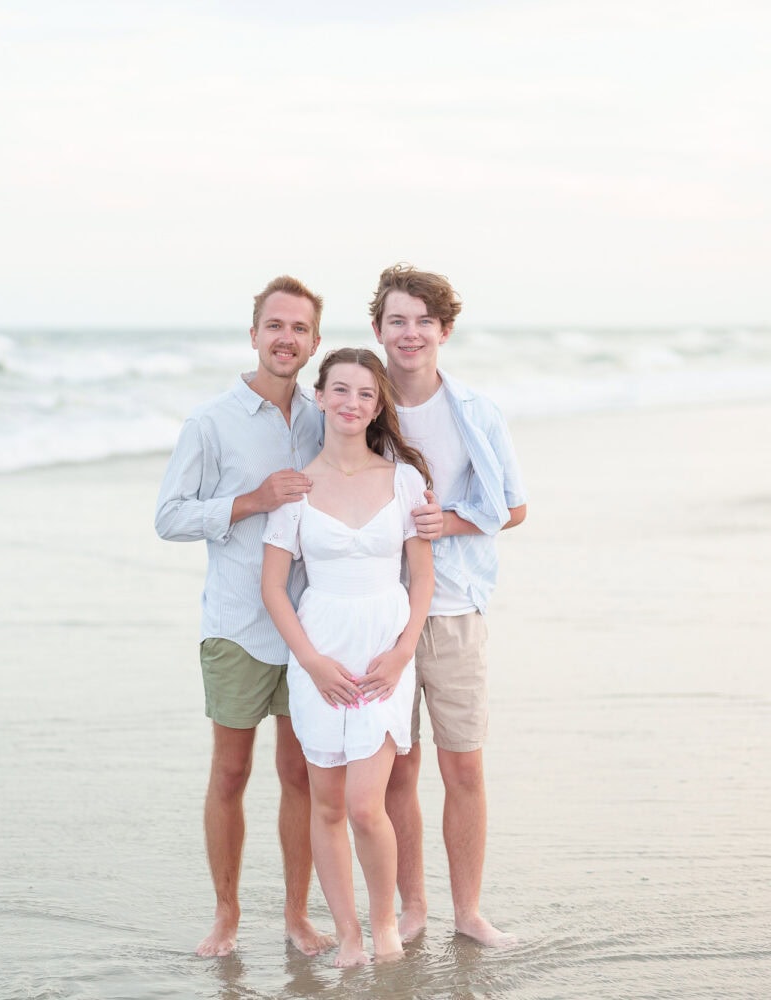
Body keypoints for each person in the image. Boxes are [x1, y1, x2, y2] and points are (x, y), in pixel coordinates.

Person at [154, 278, 443, 958]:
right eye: (274, 325)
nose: (286, 337)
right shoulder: (211, 422)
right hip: (240, 625)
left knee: (303, 778)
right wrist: (250, 501)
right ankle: (226, 916)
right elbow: (168, 518)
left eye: (300, 329)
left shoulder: (323, 417)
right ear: (254, 334)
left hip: (330, 635)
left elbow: (369, 445)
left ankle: (298, 916)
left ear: (313, 343)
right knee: (230, 773)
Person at [369, 264, 527, 948]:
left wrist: (449, 523)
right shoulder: (356, 403)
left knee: (463, 764)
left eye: (423, 321)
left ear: (445, 331)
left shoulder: (477, 412)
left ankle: (468, 913)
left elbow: (512, 508)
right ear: (378, 328)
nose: (410, 333)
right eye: (397, 320)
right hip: (379, 613)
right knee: (397, 768)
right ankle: (414, 909)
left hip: (457, 608)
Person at [259, 348, 434, 967]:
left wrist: (402, 650)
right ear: (322, 396)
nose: (351, 403)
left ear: (378, 402)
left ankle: (384, 923)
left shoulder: (404, 480)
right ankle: (349, 936)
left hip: (384, 649)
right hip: (321, 653)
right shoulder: (297, 488)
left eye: (364, 392)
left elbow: (422, 578)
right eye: (339, 390)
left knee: (367, 804)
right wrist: (309, 661)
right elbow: (273, 587)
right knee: (327, 803)